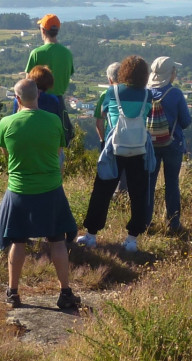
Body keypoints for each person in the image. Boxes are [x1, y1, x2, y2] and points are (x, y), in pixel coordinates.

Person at [0, 77, 80, 310]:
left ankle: (13, 293)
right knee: (57, 240)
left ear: (17, 99)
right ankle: (65, 292)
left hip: (20, 189)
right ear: (38, 95)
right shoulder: (53, 121)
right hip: (50, 188)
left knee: (18, 240)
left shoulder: (6, 123)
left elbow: (5, 153)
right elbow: (58, 151)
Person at [76, 55, 155, 253]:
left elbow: (101, 117)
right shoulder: (148, 95)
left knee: (102, 191)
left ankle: (92, 235)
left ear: (123, 72)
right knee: (139, 194)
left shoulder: (111, 92)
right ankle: (132, 239)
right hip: (139, 149)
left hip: (115, 148)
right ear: (145, 76)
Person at [145, 57, 192, 234]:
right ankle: (173, 223)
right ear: (169, 73)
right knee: (172, 183)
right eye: (174, 70)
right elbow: (186, 121)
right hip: (173, 143)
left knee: (149, 183)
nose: (175, 73)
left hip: (150, 144)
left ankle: (145, 222)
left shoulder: (146, 93)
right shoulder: (176, 94)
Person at [26, 14, 74, 143]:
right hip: (59, 105)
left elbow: (27, 83)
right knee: (57, 144)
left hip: (38, 103)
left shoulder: (36, 53)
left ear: (42, 30)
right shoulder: (67, 53)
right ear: (57, 31)